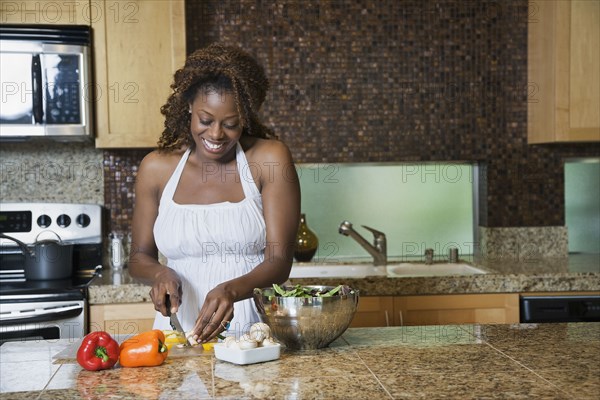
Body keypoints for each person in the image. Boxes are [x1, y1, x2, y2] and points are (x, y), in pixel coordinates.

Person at [128, 43, 300, 343]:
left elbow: (279, 260)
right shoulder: (156, 168)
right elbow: (139, 257)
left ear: (245, 117)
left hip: (250, 331)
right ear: (189, 107)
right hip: (175, 329)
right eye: (206, 120)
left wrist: (231, 290)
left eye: (231, 124)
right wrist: (160, 274)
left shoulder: (269, 159)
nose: (217, 135)